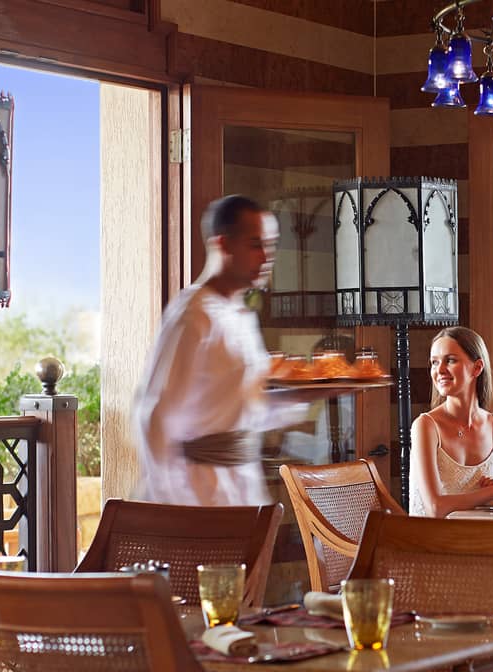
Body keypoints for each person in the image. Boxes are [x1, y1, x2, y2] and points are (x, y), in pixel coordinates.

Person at [132, 195, 343, 506]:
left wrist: (304, 395)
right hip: (197, 493)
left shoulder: (240, 314)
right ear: (223, 244)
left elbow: (245, 407)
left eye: (271, 246)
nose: (267, 257)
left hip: (241, 487)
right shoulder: (194, 315)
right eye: (256, 244)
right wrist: (173, 503)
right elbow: (154, 414)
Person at [409, 326, 493, 518]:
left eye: (450, 360)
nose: (440, 370)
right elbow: (435, 508)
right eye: (434, 363)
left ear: (477, 368)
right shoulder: (426, 426)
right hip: (432, 542)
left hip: (480, 538)